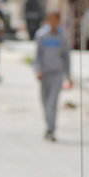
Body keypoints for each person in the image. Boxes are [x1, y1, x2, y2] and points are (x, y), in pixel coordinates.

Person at [34, 10, 70, 141]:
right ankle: (48, 125)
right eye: (51, 20)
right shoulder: (42, 35)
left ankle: (51, 130)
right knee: (45, 102)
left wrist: (68, 76)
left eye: (56, 20)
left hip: (57, 74)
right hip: (45, 74)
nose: (53, 22)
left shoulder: (63, 36)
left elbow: (66, 57)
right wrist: (37, 70)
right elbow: (37, 55)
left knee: (52, 103)